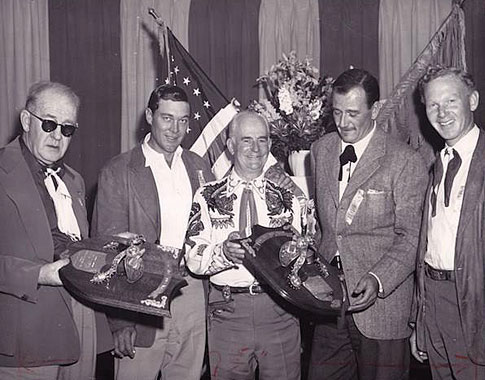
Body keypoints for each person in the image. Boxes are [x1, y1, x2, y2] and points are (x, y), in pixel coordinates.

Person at [308, 68, 428, 380]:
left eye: (352, 113)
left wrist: (377, 279)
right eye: (336, 112)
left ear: (375, 110)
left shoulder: (404, 160)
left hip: (382, 310)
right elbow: (326, 228)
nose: (343, 123)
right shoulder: (321, 150)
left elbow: (411, 236)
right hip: (330, 306)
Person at [92, 84, 214, 380]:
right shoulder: (119, 170)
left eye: (183, 120)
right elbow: (107, 249)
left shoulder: (199, 166)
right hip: (140, 297)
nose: (175, 129)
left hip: (192, 292)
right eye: (167, 118)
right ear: (149, 116)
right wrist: (120, 321)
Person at [0, 81, 111, 379]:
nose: (57, 136)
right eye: (49, 124)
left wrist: (112, 247)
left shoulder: (73, 181)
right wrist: (39, 274)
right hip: (26, 331)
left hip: (80, 324)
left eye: (67, 128)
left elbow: (70, 245)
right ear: (26, 121)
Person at [185, 110, 304, 380]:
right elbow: (192, 255)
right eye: (246, 140)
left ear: (270, 146)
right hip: (228, 312)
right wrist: (224, 253)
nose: (255, 149)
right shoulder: (206, 196)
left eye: (262, 140)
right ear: (230, 145)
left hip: (280, 312)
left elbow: (304, 259)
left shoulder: (289, 198)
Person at [411, 66, 485, 379]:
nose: (442, 114)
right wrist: (420, 319)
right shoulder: (437, 164)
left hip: (475, 304)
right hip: (435, 302)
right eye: (433, 106)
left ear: (472, 100)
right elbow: (427, 247)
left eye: (450, 102)